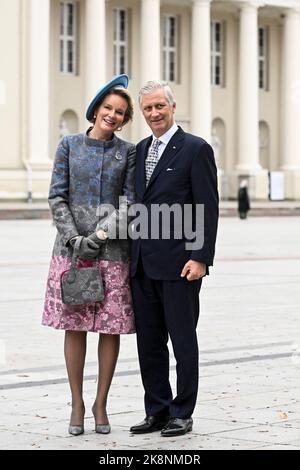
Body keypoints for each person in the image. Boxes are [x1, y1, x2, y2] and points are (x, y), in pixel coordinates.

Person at [42, 74, 135, 436]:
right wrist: (74, 239)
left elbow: (129, 202)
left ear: (125, 120)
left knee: (110, 328)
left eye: (120, 113)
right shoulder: (69, 145)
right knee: (75, 326)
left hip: (112, 251)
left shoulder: (127, 153)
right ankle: (77, 403)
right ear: (95, 110)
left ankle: (101, 403)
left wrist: (99, 233)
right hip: (71, 252)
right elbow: (57, 196)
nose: (112, 115)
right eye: (108, 108)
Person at [129, 81, 219, 437]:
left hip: (181, 266)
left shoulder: (195, 149)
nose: (154, 114)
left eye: (159, 107)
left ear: (172, 106)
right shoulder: (139, 150)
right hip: (142, 265)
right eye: (148, 109)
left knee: (183, 341)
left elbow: (206, 208)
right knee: (149, 343)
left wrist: (200, 257)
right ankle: (158, 410)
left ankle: (182, 412)